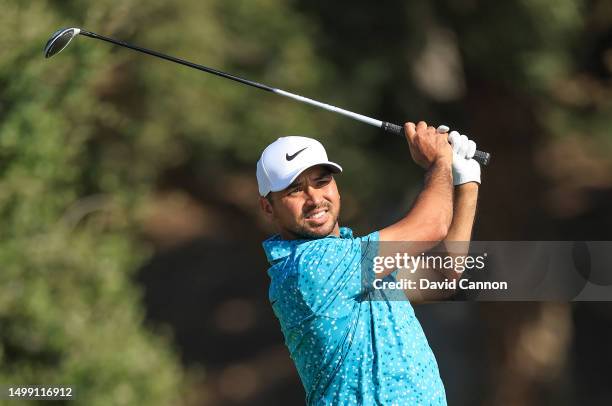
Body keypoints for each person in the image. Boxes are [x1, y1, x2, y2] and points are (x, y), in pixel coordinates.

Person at [257, 121, 481, 405]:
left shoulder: (352, 259)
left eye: (321, 181)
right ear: (268, 207)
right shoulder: (309, 267)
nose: (314, 198)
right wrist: (439, 162)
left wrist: (466, 182)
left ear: (336, 187)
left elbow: (442, 276)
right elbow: (431, 225)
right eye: (294, 190)